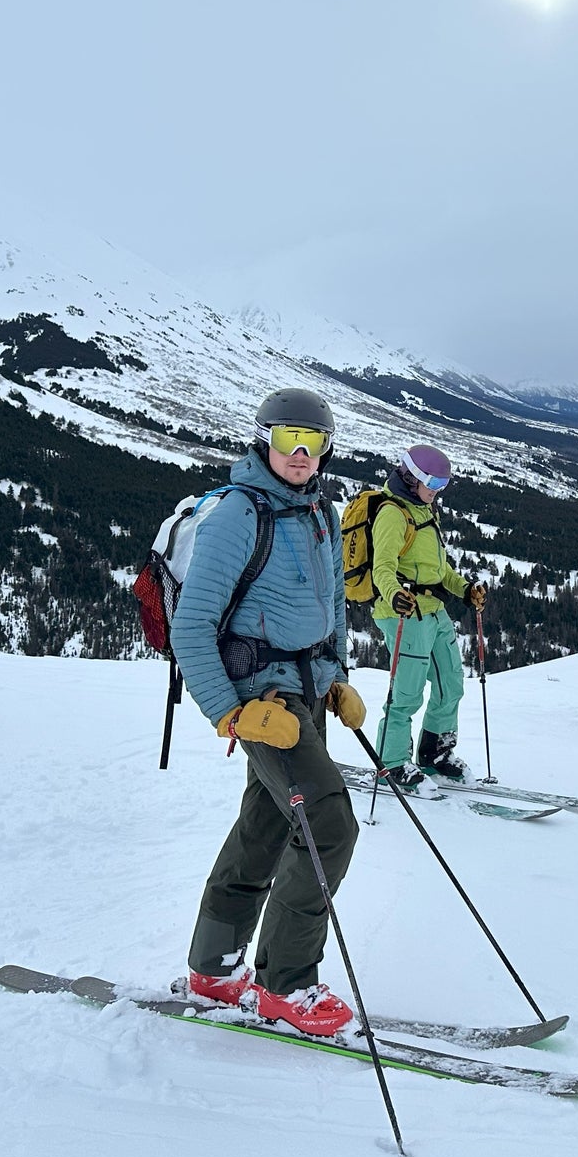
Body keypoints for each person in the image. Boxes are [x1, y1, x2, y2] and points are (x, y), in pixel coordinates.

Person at [172, 387, 368, 1036]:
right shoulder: (238, 514)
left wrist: (336, 679)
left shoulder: (322, 512)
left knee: (266, 826)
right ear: (264, 439)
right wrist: (231, 713)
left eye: (313, 442)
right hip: (264, 700)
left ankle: (213, 967)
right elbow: (192, 626)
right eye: (288, 439)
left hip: (308, 693)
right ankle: (287, 983)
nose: (301, 454)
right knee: (330, 823)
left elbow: (334, 603)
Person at [367, 444, 484, 791]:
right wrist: (394, 595)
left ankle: (435, 755)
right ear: (410, 476)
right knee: (406, 694)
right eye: (431, 481)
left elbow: (438, 569)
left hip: (434, 611)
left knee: (451, 685)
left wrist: (465, 589)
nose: (436, 489)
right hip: (404, 614)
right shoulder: (392, 513)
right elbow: (382, 568)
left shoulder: (425, 511)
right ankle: (390, 764)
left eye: (443, 483)